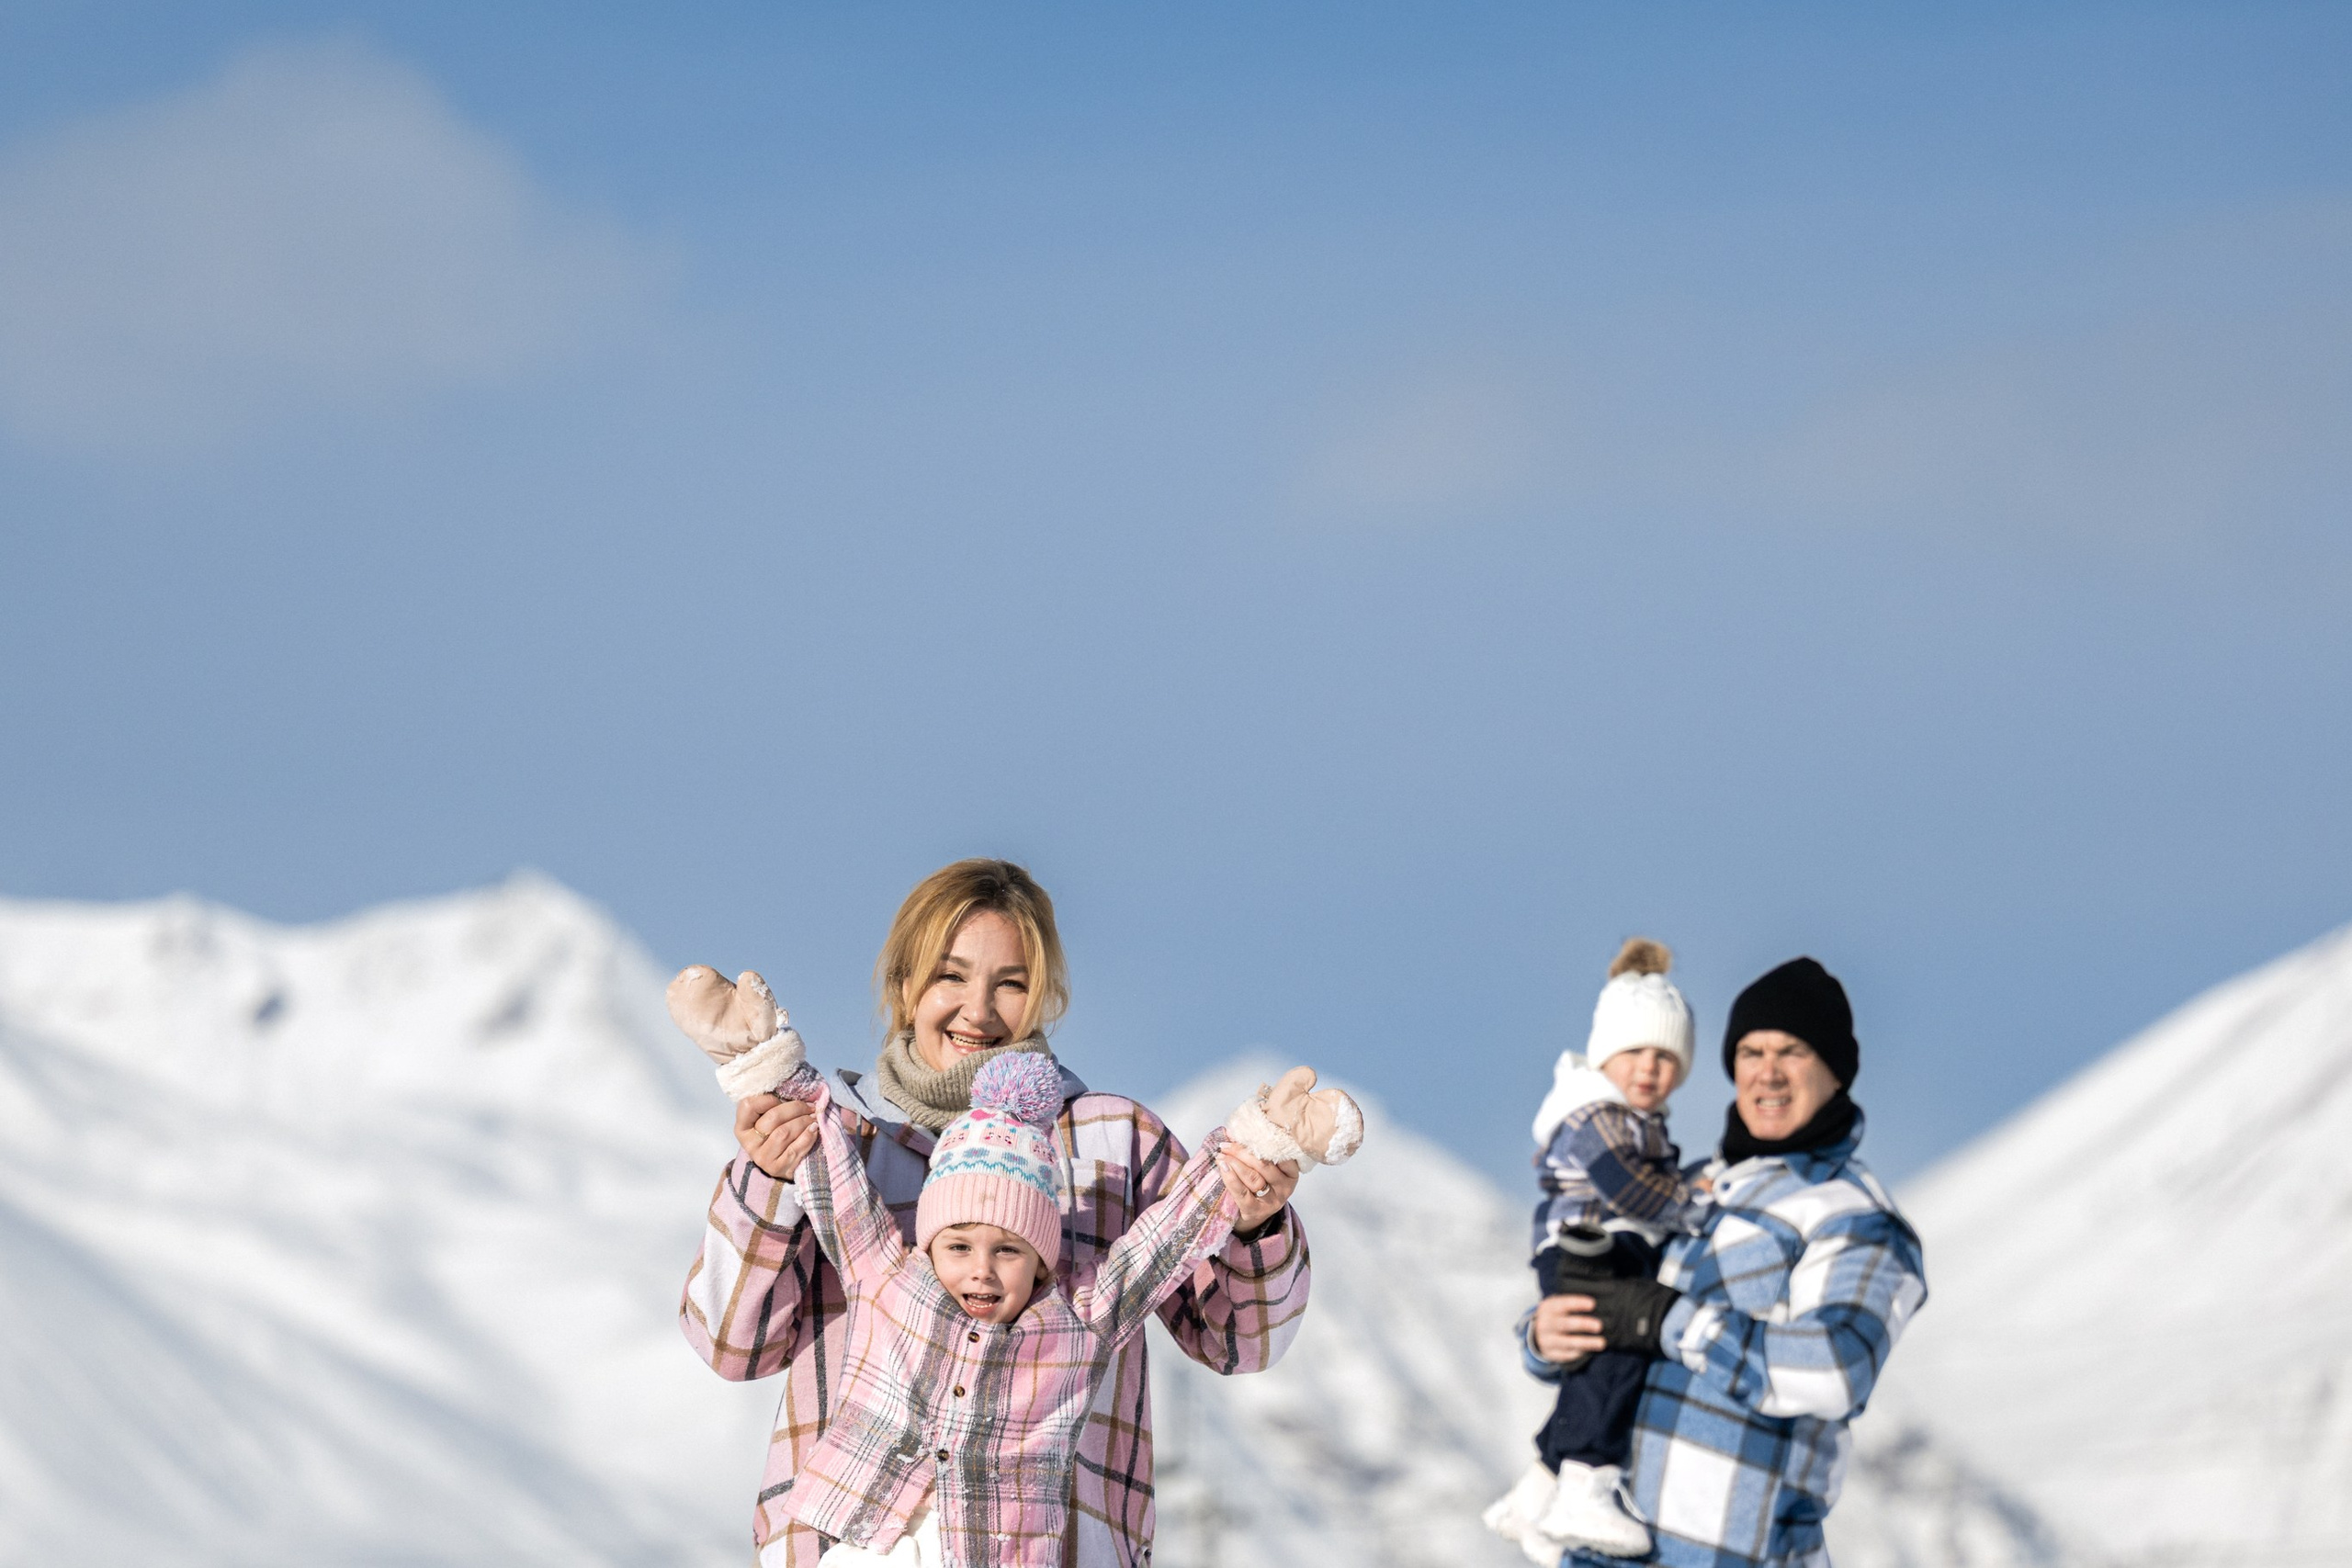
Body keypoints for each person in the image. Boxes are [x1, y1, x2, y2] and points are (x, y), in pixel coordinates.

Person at [673, 859, 1316, 1568]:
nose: (977, 1011)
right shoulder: (832, 1136)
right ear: (903, 984)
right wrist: (768, 1177)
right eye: (950, 976)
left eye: (1010, 983)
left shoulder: (1113, 1145)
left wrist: (1251, 1218)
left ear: (1044, 997)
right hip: (842, 1544)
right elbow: (732, 1345)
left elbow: (1239, 1339)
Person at [726, 1046, 1359, 1567]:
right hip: (870, 1540)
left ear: (1040, 1256)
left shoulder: (1079, 1317)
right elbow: (834, 1173)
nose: (980, 1267)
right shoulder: (888, 1275)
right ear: (929, 1240)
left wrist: (1252, 1150)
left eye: (1007, 1248)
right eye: (959, 1244)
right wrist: (774, 1067)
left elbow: (1164, 1243)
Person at [1521, 957, 1928, 1568]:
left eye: (1791, 1050)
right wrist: (1544, 1336)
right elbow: (1609, 1314)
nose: (1768, 1073)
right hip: (1605, 1550)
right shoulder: (1689, 1190)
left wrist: (1668, 1322)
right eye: (1749, 1051)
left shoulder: (1854, 1217)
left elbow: (1835, 1368)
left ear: (1836, 1071)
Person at [1484, 939, 1709, 1563]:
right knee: (1624, 1346)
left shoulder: (1637, 1120)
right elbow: (1632, 1189)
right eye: (1635, 1050)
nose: (1650, 1067)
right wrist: (1691, 1202)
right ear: (1605, 1052)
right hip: (1591, 1247)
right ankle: (1588, 1478)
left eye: (1667, 1056)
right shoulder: (1599, 1115)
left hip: (1604, 1247)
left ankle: (1538, 1491)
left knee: (1594, 1364)